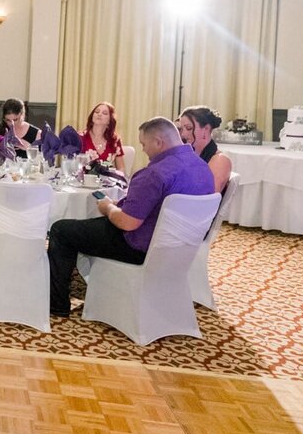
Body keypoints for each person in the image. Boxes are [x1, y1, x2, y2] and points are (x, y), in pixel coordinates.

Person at [47, 117, 215, 317]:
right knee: (87, 226)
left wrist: (108, 207)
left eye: (144, 144)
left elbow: (127, 223)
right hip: (180, 247)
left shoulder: (154, 173)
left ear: (158, 142)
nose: (144, 150)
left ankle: (56, 305)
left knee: (61, 230)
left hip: (140, 247)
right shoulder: (202, 167)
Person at [179, 105, 233, 194]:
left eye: (189, 128)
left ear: (206, 129)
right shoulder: (186, 155)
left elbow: (206, 196)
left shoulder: (220, 160)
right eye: (181, 129)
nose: (183, 134)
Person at [80, 101, 126, 173]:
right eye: (97, 112)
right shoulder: (80, 138)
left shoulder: (115, 140)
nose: (99, 114)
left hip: (107, 182)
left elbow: (121, 168)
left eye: (104, 113)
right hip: (83, 181)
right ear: (92, 117)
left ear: (109, 121)